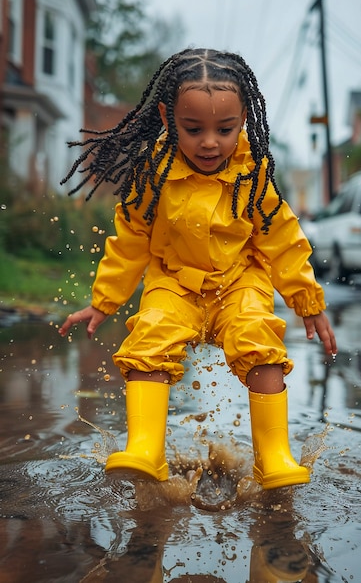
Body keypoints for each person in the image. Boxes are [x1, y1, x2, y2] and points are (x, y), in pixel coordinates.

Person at [58, 48, 337, 490]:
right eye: (194, 129)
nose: (210, 142)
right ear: (168, 119)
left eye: (225, 129)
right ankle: (146, 449)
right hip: (173, 283)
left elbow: (282, 240)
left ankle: (274, 457)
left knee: (258, 338)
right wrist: (102, 302)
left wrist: (307, 302)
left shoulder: (253, 175)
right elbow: (130, 239)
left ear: (243, 118)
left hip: (238, 284)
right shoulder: (154, 171)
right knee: (149, 336)